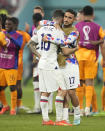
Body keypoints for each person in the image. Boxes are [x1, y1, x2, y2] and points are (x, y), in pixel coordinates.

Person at [27, 9, 75, 126]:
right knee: (63, 90)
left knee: (45, 92)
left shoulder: (40, 29)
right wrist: (74, 49)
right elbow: (64, 49)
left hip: (42, 64)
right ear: (61, 19)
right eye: (64, 18)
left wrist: (39, 55)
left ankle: (46, 119)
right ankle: (59, 120)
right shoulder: (59, 31)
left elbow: (30, 44)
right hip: (52, 64)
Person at [75, 5, 105, 116]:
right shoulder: (97, 27)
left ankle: (80, 109)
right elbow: (102, 41)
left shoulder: (77, 26)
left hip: (79, 56)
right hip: (91, 56)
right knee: (89, 82)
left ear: (84, 14)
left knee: (80, 83)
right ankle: (88, 108)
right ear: (93, 14)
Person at [0, 17, 23, 115]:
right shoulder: (2, 34)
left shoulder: (18, 35)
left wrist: (11, 38)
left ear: (14, 25)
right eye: (6, 24)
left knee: (12, 87)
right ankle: (5, 106)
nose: (7, 26)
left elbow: (19, 45)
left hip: (12, 65)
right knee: (0, 88)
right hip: (1, 64)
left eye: (9, 24)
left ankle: (13, 109)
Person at [11, 17, 31, 111]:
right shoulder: (23, 34)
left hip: (10, 61)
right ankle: (17, 106)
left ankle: (10, 106)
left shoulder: (5, 33)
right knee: (17, 84)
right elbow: (32, 43)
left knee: (12, 84)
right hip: (18, 61)